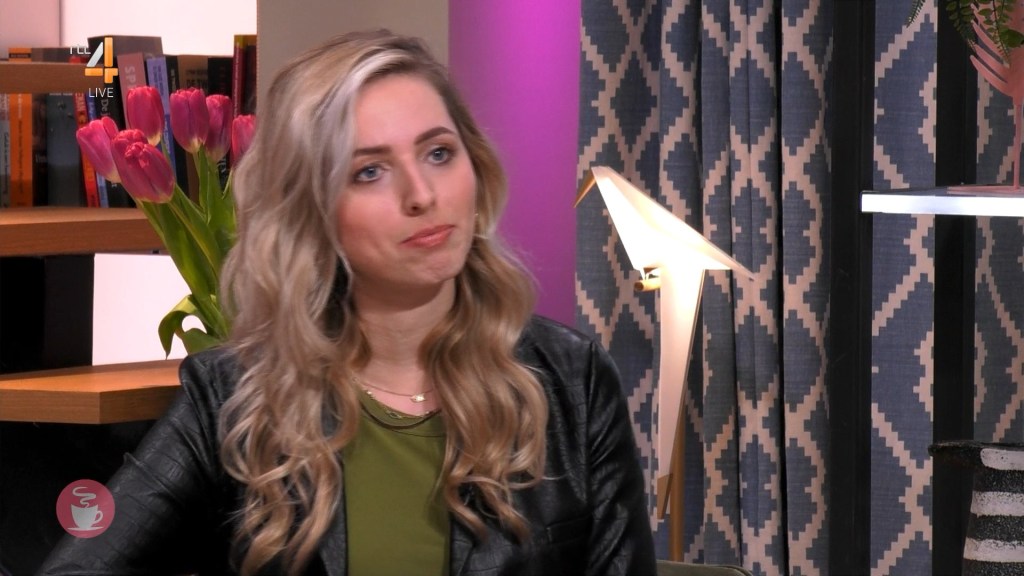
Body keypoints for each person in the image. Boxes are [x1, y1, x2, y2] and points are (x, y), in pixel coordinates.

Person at [40, 30, 656, 576]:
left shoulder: (572, 381)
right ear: (312, 211)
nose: (422, 195)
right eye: (369, 172)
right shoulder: (231, 398)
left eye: (439, 153)